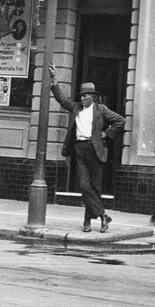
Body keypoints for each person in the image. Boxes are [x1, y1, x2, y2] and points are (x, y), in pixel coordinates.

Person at [49, 62, 125, 233]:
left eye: (86, 96)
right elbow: (62, 99)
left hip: (96, 150)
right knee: (84, 186)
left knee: (95, 187)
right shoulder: (76, 107)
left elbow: (120, 120)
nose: (82, 98)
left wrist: (106, 133)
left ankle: (88, 221)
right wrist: (54, 79)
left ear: (93, 97)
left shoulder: (101, 110)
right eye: (81, 96)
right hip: (80, 149)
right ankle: (103, 215)